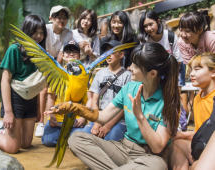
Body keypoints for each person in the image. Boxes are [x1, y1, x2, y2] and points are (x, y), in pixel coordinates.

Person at [45, 42, 181, 169]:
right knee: (76, 139)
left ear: (152, 73)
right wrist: (73, 107)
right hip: (123, 148)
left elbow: (157, 147)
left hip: (150, 156)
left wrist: (139, 116)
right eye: (132, 63)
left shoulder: (169, 101)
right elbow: (103, 116)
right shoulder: (129, 88)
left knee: (158, 166)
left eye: (136, 66)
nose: (130, 68)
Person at [0, 15, 47, 154]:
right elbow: (5, 80)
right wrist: (8, 112)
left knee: (26, 144)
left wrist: (38, 110)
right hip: (15, 98)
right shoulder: (14, 49)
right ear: (27, 30)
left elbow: (38, 84)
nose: (39, 36)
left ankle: (2, 129)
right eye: (36, 32)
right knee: (12, 148)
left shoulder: (41, 53)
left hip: (31, 99)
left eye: (42, 33)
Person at [169, 52, 215, 170]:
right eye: (191, 69)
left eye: (197, 69)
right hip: (199, 145)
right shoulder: (197, 97)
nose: (192, 74)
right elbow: (200, 132)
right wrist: (180, 134)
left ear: (213, 72)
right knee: (172, 143)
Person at [78, 40, 131, 141]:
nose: (108, 55)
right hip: (100, 116)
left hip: (118, 121)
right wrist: (97, 122)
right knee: (82, 138)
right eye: (106, 52)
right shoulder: (100, 74)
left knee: (109, 142)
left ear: (121, 54)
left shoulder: (128, 76)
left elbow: (126, 106)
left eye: (112, 51)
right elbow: (95, 100)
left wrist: (108, 126)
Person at [35, 5, 73, 137]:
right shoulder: (45, 29)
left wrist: (55, 70)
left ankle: (50, 118)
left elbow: (62, 54)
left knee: (52, 90)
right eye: (58, 18)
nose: (62, 20)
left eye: (64, 18)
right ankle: (40, 123)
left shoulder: (68, 33)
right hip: (42, 62)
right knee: (43, 90)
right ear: (51, 18)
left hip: (56, 64)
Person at [42, 40, 85, 147]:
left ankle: (68, 138)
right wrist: (51, 115)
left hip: (76, 121)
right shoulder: (57, 74)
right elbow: (51, 98)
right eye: (68, 51)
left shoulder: (84, 75)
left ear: (79, 56)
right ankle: (69, 139)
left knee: (82, 140)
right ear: (63, 56)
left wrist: (83, 118)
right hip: (57, 120)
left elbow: (89, 100)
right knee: (48, 140)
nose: (71, 53)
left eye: (75, 51)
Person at [72, 9, 100, 116]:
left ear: (93, 23)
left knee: (88, 97)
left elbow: (98, 58)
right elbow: (65, 50)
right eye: (84, 18)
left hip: (88, 72)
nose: (85, 21)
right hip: (74, 71)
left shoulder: (95, 37)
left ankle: (83, 118)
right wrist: (77, 46)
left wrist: (91, 53)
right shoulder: (73, 33)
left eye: (89, 19)